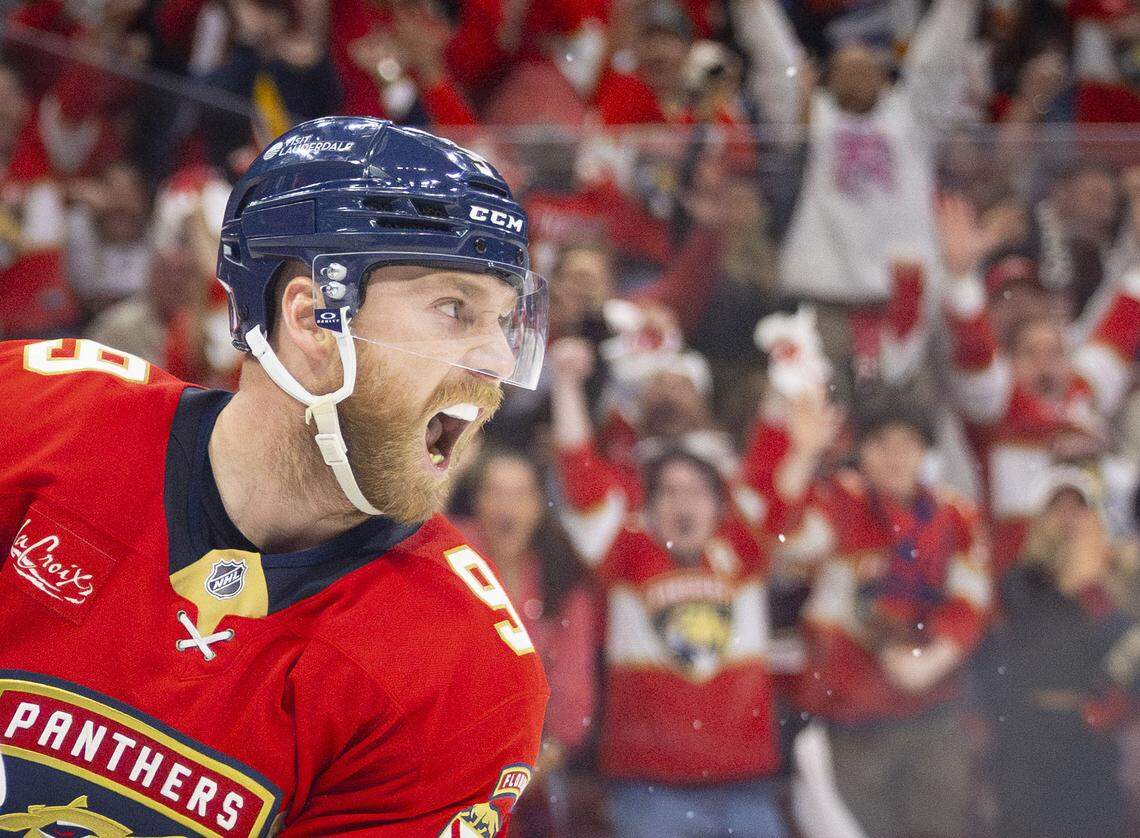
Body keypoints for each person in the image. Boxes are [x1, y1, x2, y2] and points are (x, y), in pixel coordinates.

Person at [0, 117, 548, 836]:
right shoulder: (40, 419)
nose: (500, 361)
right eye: (455, 308)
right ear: (313, 318)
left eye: (505, 320)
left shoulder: (464, 672)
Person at [794, 398, 992, 838]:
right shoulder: (837, 502)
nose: (895, 457)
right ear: (862, 450)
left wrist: (932, 659)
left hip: (932, 716)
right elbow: (788, 539)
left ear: (925, 453)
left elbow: (972, 599)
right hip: (850, 718)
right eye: (881, 444)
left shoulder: (954, 514)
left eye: (908, 445)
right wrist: (801, 456)